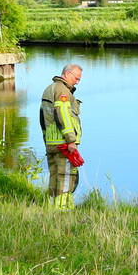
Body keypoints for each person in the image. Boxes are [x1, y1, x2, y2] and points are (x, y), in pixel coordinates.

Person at [39, 64, 83, 209]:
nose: (77, 81)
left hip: (51, 142)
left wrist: (46, 139)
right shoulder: (62, 91)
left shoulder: (49, 89)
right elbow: (63, 115)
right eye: (76, 78)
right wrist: (71, 140)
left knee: (55, 175)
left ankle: (51, 206)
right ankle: (62, 210)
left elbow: (42, 118)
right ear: (67, 73)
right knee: (67, 176)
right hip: (63, 142)